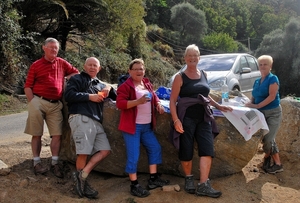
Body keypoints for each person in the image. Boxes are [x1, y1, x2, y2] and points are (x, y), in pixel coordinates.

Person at [169, 44, 232, 198]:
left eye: (195, 55)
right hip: (186, 117)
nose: (192, 58)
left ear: (199, 57)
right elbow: (172, 101)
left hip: (203, 117)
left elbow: (204, 95)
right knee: (186, 150)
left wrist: (218, 106)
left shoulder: (203, 73)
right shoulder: (179, 77)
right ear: (185, 58)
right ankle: (189, 178)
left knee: (207, 149)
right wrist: (176, 120)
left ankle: (204, 184)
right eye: (189, 55)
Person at [24, 37, 79, 178]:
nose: (54, 50)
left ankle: (55, 163)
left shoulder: (61, 63)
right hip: (38, 101)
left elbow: (76, 73)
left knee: (57, 134)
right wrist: (33, 103)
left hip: (56, 104)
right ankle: (36, 162)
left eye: (56, 48)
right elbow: (28, 86)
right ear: (44, 48)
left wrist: (66, 79)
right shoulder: (36, 65)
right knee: (37, 133)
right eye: (51, 47)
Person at [116, 58, 170, 198]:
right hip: (132, 127)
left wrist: (157, 104)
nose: (139, 71)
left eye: (141, 69)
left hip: (147, 126)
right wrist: (138, 102)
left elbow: (154, 96)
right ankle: (134, 185)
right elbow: (120, 104)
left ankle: (153, 179)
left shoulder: (146, 82)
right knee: (134, 156)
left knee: (155, 148)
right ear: (130, 71)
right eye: (136, 69)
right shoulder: (126, 86)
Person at [64, 57, 114, 199]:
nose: (92, 67)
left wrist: (109, 87)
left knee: (105, 150)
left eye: (95, 65)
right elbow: (68, 95)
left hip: (97, 121)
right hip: (81, 117)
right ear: (84, 66)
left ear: (99, 68)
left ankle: (81, 176)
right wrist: (89, 97)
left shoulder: (100, 84)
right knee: (83, 152)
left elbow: (116, 95)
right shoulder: (77, 79)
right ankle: (82, 184)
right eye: (90, 65)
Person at [245, 55, 283, 174]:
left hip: (273, 113)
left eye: (265, 64)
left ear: (270, 66)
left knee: (268, 138)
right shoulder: (257, 81)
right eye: (260, 64)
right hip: (260, 113)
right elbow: (254, 96)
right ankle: (270, 160)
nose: (262, 66)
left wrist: (256, 106)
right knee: (267, 137)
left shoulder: (273, 79)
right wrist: (249, 103)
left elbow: (272, 97)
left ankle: (275, 162)